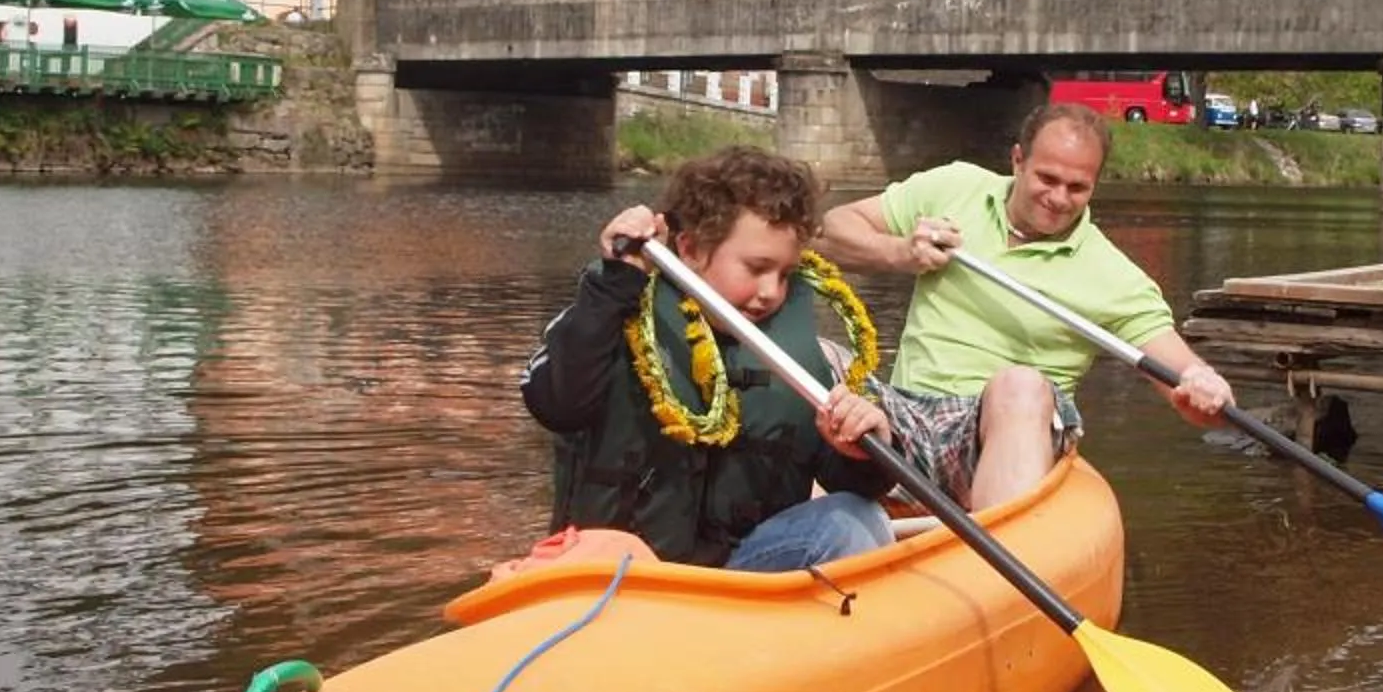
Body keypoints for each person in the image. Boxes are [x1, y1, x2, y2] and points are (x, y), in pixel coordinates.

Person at [819, 103, 1235, 507]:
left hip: (997, 429)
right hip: (901, 417)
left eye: (1077, 187)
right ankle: (798, 519)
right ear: (1018, 160)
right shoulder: (953, 187)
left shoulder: (1115, 277)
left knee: (1020, 384)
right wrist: (901, 253)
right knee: (813, 352)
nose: (1058, 198)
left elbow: (1186, 378)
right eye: (1047, 178)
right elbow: (830, 232)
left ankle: (1001, 539)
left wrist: (1205, 387)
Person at [521, 146, 897, 572]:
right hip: (616, 575)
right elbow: (557, 404)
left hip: (735, 579)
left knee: (855, 519)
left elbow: (848, 482)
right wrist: (613, 284)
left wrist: (862, 452)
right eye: (756, 267)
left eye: (785, 274)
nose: (771, 292)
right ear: (690, 248)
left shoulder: (794, 357)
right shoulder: (613, 314)